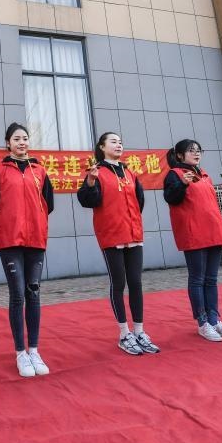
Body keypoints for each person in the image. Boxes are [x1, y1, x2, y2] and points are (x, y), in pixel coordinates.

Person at [0, 123, 53, 377]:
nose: (22, 142)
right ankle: (20, 353)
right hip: (10, 240)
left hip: (35, 239)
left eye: (25, 138)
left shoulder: (39, 170)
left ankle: (34, 350)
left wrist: (35, 221)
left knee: (34, 292)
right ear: (8, 143)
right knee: (18, 294)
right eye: (16, 139)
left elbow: (48, 203)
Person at [77, 132, 160, 356]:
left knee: (136, 283)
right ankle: (124, 334)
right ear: (102, 147)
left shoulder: (130, 172)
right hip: (112, 235)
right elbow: (87, 200)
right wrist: (91, 182)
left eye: (120, 142)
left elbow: (139, 201)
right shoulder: (97, 172)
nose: (118, 145)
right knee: (119, 283)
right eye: (113, 142)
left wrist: (131, 221)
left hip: (133, 233)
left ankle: (139, 331)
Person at [163, 139, 222, 342]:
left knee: (211, 279)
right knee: (197, 279)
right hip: (193, 232)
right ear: (179, 155)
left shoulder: (204, 174)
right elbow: (171, 198)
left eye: (198, 150)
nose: (196, 153)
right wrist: (182, 183)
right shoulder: (175, 174)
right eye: (191, 150)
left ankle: (214, 319)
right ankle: (203, 322)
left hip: (213, 230)